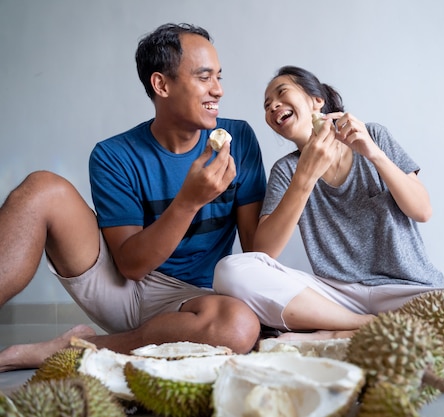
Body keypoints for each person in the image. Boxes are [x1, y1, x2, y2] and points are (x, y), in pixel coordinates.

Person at [0, 23, 267, 372]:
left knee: (239, 326)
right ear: (162, 84)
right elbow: (131, 266)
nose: (218, 90)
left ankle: (76, 349)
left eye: (219, 77)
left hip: (194, 300)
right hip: (124, 287)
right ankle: (141, 343)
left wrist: (304, 172)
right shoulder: (114, 155)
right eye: (204, 77)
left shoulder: (239, 140)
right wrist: (188, 201)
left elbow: (257, 253)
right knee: (40, 188)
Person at [213, 65, 444, 348]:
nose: (273, 106)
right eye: (266, 105)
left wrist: (373, 153)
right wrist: (305, 175)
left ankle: (336, 336)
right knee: (231, 270)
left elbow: (422, 210)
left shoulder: (374, 136)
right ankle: (361, 326)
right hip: (335, 296)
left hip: (405, 289)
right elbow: (263, 252)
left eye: (281, 93)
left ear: (316, 101)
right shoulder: (285, 170)